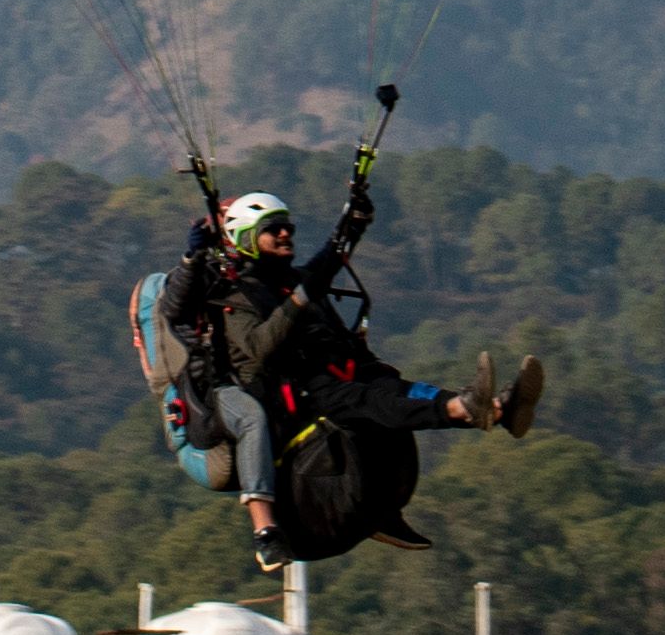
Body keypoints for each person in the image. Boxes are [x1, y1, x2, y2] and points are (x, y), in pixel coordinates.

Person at [171, 173, 539, 555]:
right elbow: (257, 348)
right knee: (364, 400)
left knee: (387, 383)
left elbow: (330, 259)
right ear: (247, 237)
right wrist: (294, 299)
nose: (285, 235)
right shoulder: (232, 294)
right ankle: (463, 409)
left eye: (288, 228)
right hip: (290, 389)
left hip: (328, 369)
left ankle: (489, 408)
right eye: (274, 229)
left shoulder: (291, 278)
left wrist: (355, 222)